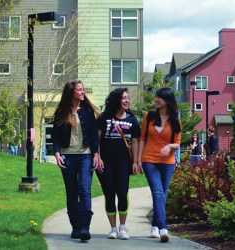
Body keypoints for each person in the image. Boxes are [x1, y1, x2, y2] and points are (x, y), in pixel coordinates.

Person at [52, 79, 100, 242]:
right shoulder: (61, 112)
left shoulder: (87, 110)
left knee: (84, 189)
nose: (82, 92)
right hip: (68, 156)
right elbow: (55, 136)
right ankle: (75, 227)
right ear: (71, 92)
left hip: (85, 155)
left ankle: (85, 227)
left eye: (83, 89)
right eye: (79, 89)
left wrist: (96, 154)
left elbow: (94, 134)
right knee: (71, 192)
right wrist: (57, 153)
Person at [138, 88, 182, 243]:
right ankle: (164, 228)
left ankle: (155, 226)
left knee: (162, 195)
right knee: (158, 193)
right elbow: (142, 138)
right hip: (149, 160)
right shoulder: (148, 116)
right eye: (156, 97)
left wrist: (169, 146)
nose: (156, 100)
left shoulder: (175, 120)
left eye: (160, 98)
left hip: (167, 163)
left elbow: (177, 144)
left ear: (168, 101)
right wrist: (138, 160)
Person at [96, 88, 141, 240]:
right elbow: (97, 139)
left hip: (123, 162)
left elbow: (135, 141)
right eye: (124, 98)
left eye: (128, 98)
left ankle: (123, 227)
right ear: (116, 100)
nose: (127, 100)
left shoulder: (132, 120)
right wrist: (98, 157)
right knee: (109, 195)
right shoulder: (104, 117)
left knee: (122, 194)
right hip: (105, 162)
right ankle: (113, 228)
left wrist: (135, 161)